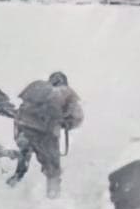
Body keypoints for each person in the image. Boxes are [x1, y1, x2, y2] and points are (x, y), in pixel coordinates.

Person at [7, 71, 84, 199]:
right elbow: (77, 118)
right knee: (53, 168)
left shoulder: (36, 87)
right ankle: (53, 196)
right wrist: (65, 123)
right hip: (46, 133)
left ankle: (13, 182)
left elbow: (20, 110)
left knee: (24, 155)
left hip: (24, 128)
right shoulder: (66, 92)